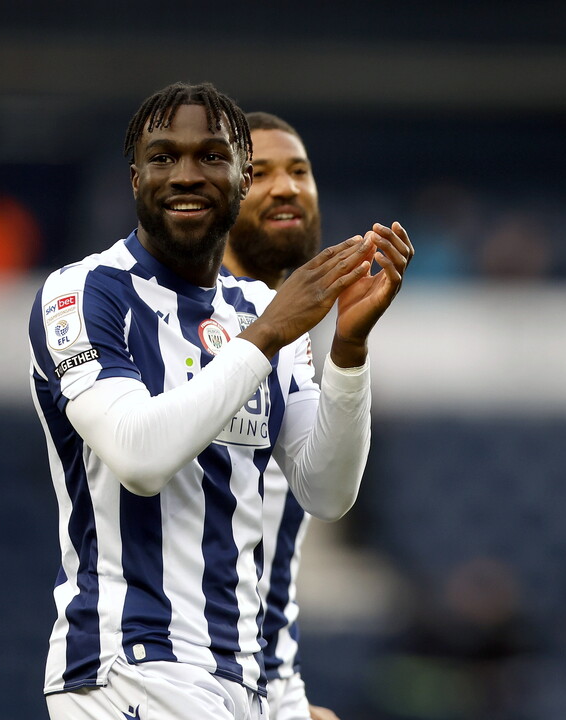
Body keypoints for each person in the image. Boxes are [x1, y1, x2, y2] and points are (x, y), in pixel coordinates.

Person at [28, 81, 413, 720]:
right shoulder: (82, 293)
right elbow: (138, 455)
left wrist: (348, 350)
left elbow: (326, 490)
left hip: (240, 677)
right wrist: (264, 338)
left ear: (239, 181)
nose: (184, 174)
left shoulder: (258, 310)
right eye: (162, 157)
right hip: (131, 666)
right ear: (133, 178)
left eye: (210, 157)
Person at [223, 111, 335, 720]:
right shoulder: (183, 325)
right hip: (175, 681)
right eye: (258, 172)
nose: (286, 187)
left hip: (267, 681)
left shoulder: (295, 338)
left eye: (299, 170)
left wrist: (287, 698)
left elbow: (325, 491)